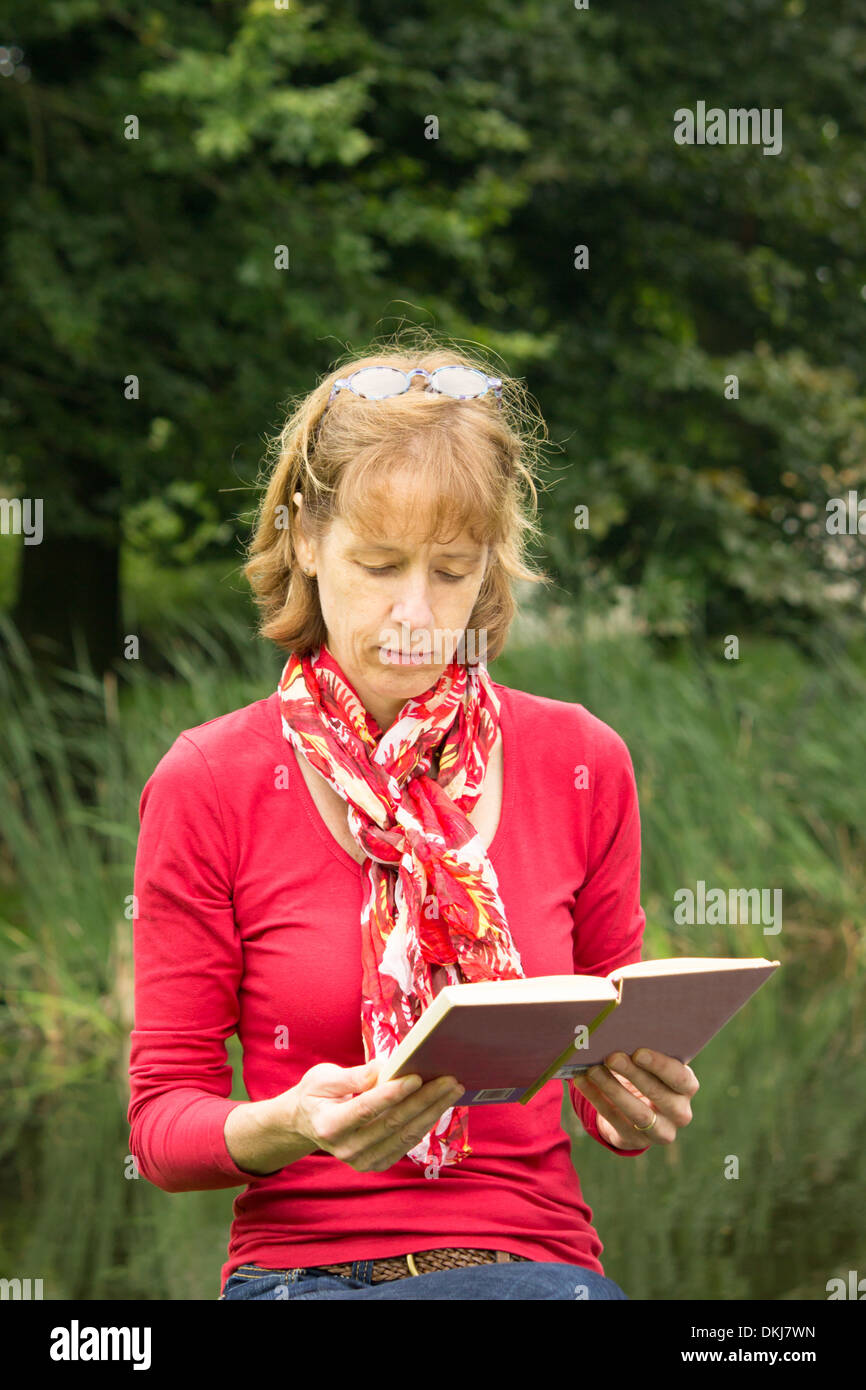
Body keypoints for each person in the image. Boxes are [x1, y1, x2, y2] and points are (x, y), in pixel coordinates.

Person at [127, 339, 699, 1301]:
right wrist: (287, 1123)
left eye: (451, 570)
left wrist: (634, 1102)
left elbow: (607, 1063)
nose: (414, 613)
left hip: (536, 1266)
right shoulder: (210, 779)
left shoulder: (582, 761)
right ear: (306, 538)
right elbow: (160, 1130)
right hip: (302, 1275)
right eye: (380, 563)